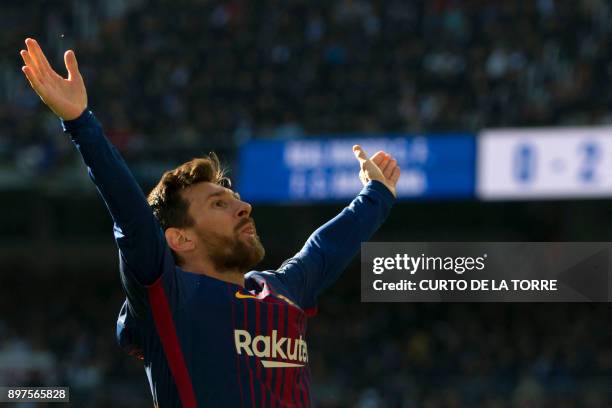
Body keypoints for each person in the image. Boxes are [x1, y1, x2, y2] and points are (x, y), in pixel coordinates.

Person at [19, 37, 401, 407]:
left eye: (235, 199)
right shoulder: (172, 297)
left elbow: (326, 248)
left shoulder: (282, 290)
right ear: (180, 239)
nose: (245, 207)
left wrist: (376, 194)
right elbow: (132, 217)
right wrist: (80, 123)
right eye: (219, 203)